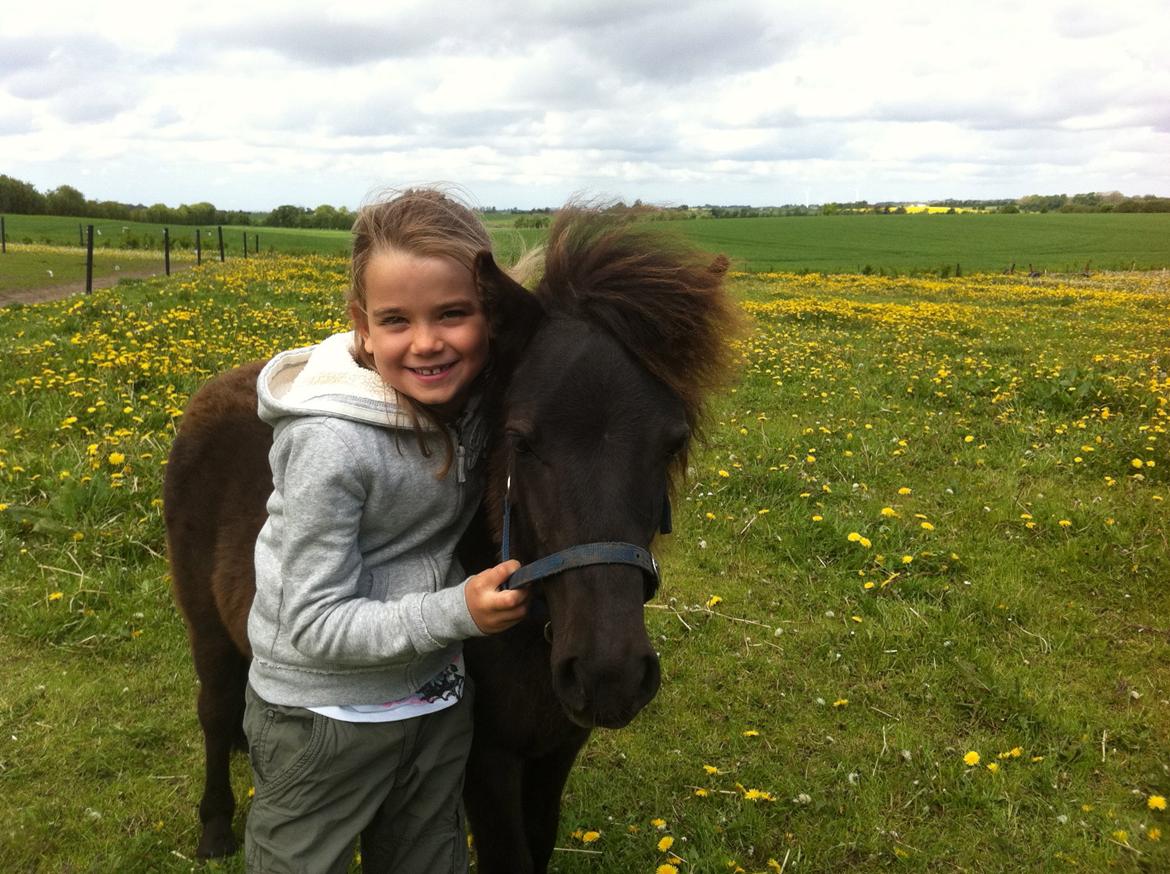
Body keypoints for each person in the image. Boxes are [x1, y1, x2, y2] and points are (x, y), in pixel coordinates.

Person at [242, 188, 529, 873]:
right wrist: (455, 612)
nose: (427, 342)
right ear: (361, 326)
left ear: (489, 313)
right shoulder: (333, 444)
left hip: (432, 700)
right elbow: (312, 622)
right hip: (323, 717)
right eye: (396, 320)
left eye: (454, 314)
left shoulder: (468, 405)